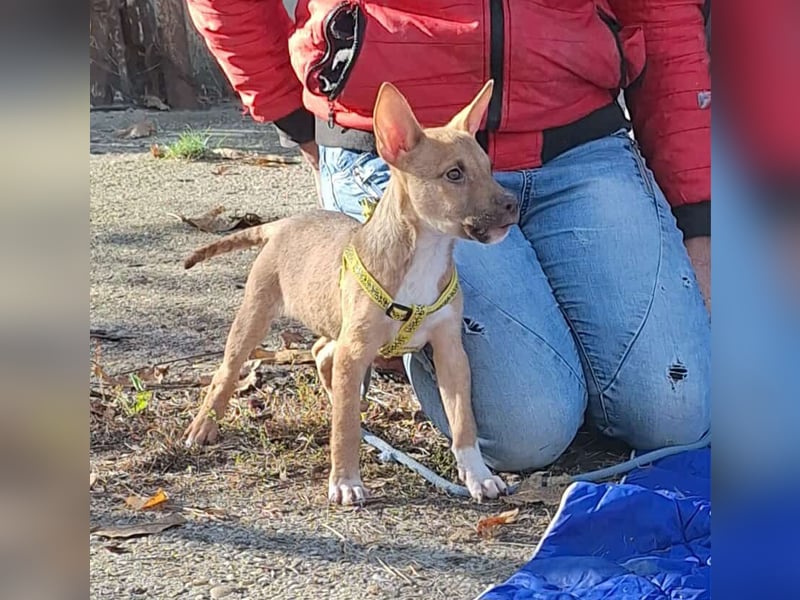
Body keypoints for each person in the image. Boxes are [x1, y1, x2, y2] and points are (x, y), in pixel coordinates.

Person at [186, 0, 711, 472]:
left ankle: (542, 342)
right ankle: (385, 335)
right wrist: (296, 118)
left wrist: (699, 217)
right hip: (400, 153)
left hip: (578, 139)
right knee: (530, 431)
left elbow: (661, 13)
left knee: (676, 410)